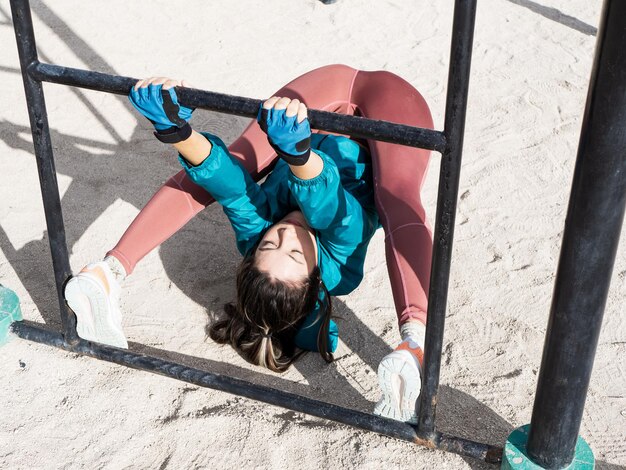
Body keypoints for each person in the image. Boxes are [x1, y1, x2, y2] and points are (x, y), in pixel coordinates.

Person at [63, 64, 433, 424]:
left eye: (269, 247)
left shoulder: (255, 236)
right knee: (395, 197)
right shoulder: (340, 268)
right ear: (315, 276)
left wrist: (176, 130)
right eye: (294, 253)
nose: (284, 236)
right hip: (390, 107)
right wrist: (299, 157)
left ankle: (108, 272)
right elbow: (334, 212)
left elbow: (231, 189)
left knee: (235, 166)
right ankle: (413, 343)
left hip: (323, 93)